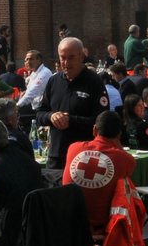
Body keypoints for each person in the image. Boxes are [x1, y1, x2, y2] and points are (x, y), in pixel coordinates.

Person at [34, 37, 108, 172]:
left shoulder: (94, 82)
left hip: (84, 158)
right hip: (56, 156)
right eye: (62, 58)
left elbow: (102, 121)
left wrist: (71, 121)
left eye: (71, 57)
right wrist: (51, 116)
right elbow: (39, 114)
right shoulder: (53, 81)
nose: (66, 63)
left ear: (81, 56)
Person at [62, 110, 138, 233]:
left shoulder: (73, 148)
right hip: (103, 226)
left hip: (69, 222)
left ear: (94, 130)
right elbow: (130, 163)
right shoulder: (126, 160)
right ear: (119, 135)